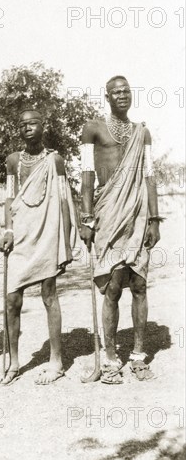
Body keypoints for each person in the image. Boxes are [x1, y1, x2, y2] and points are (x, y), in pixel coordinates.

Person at [80, 75, 162, 383]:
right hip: (109, 214)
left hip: (138, 216)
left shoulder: (143, 132)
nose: (122, 96)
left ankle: (139, 356)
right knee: (112, 287)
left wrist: (154, 220)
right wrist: (87, 218)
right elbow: (87, 174)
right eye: (116, 92)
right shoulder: (93, 129)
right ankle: (110, 359)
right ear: (107, 97)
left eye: (126, 91)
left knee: (139, 286)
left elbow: (150, 177)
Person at [0, 109, 77, 385]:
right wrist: (7, 230)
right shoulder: (12, 161)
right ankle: (15, 362)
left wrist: (65, 241)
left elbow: (64, 200)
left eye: (33, 123)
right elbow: (9, 198)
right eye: (23, 125)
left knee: (49, 295)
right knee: (12, 299)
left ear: (44, 126)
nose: (28, 128)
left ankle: (56, 360)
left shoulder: (55, 161)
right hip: (20, 233)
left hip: (47, 233)